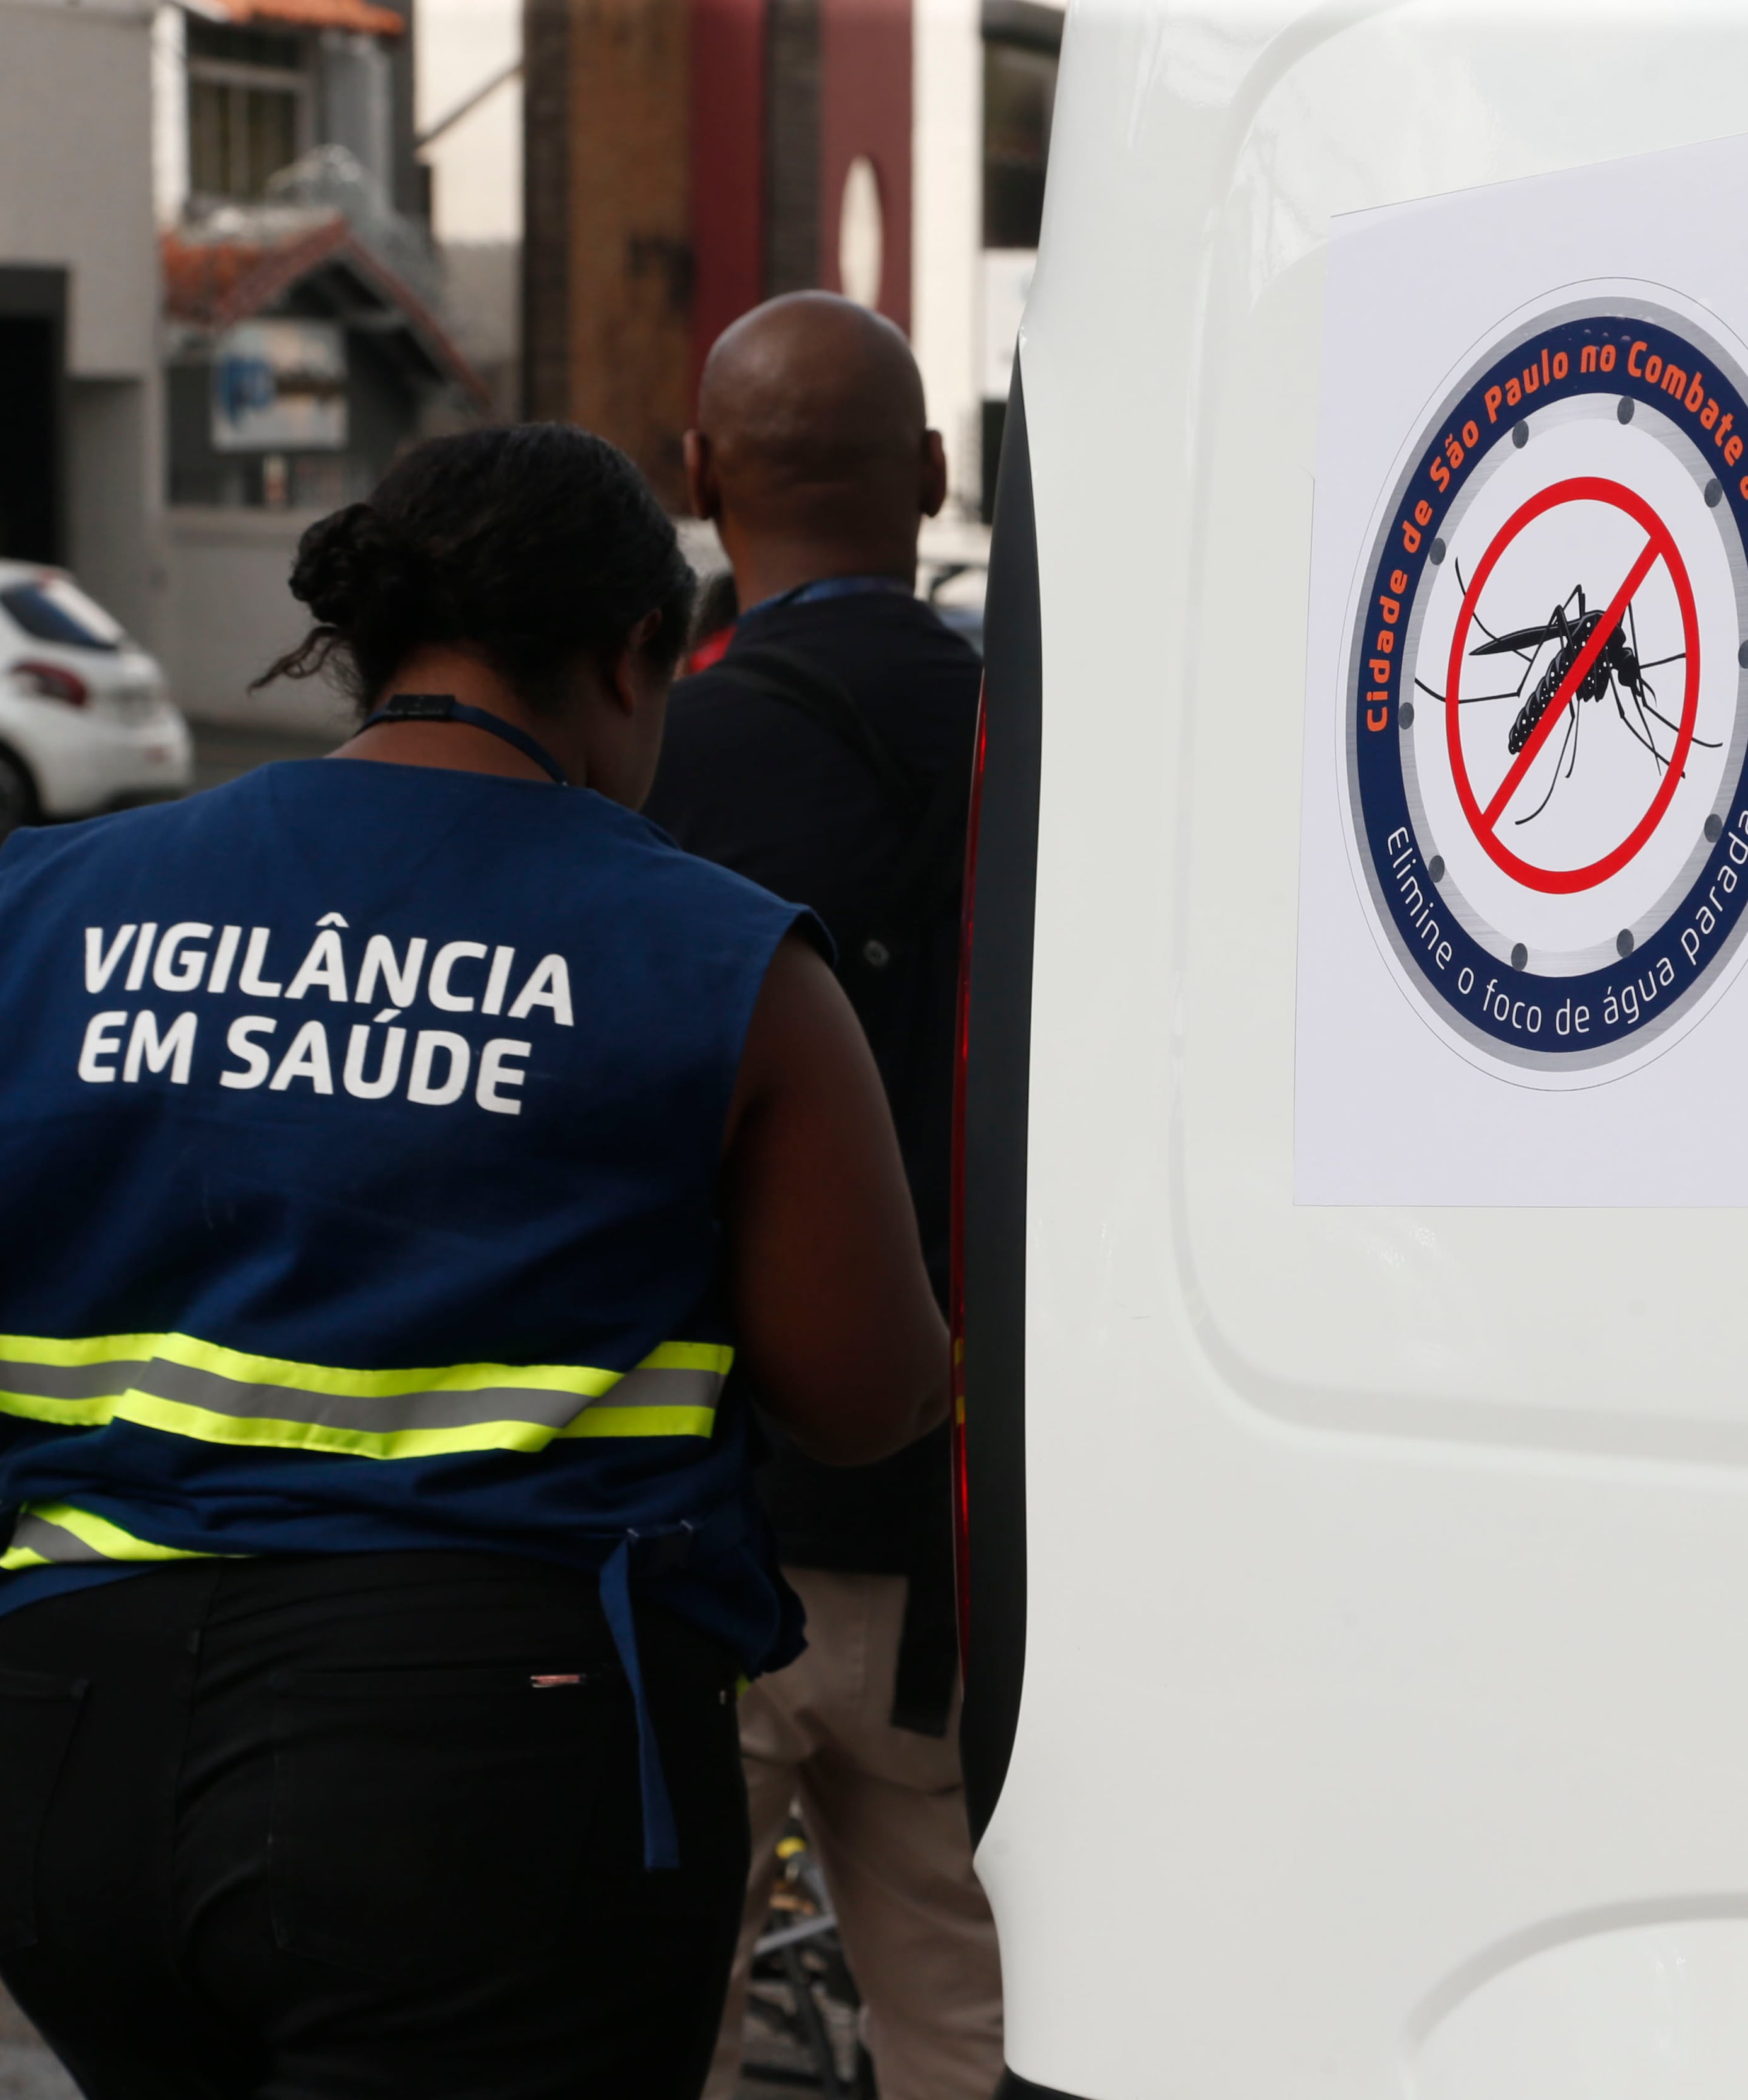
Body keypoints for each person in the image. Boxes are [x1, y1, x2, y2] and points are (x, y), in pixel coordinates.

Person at [0, 424, 951, 2100]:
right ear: (637, 656)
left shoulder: (70, 903)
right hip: (488, 1790)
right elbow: (864, 1397)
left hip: (81, 1762)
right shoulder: (718, 956)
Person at [647, 291, 1003, 2099]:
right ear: (936, 476)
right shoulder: (1062, 739)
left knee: (642, 2037)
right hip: (976, 1552)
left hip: (702, 1548)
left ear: (698, 478)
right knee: (977, 2033)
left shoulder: (643, 771)